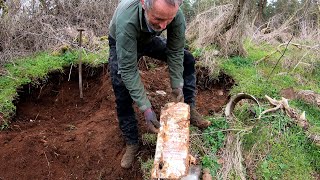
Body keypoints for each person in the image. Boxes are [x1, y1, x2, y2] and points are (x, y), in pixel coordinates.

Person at [108, 0, 211, 168]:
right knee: (121, 87)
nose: (163, 26)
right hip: (121, 40)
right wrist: (146, 109)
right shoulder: (127, 19)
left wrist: (177, 85)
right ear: (143, 4)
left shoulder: (175, 15)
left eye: (168, 20)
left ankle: (189, 109)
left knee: (187, 59)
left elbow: (175, 51)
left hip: (148, 39)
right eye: (158, 18)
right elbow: (127, 69)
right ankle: (132, 141)